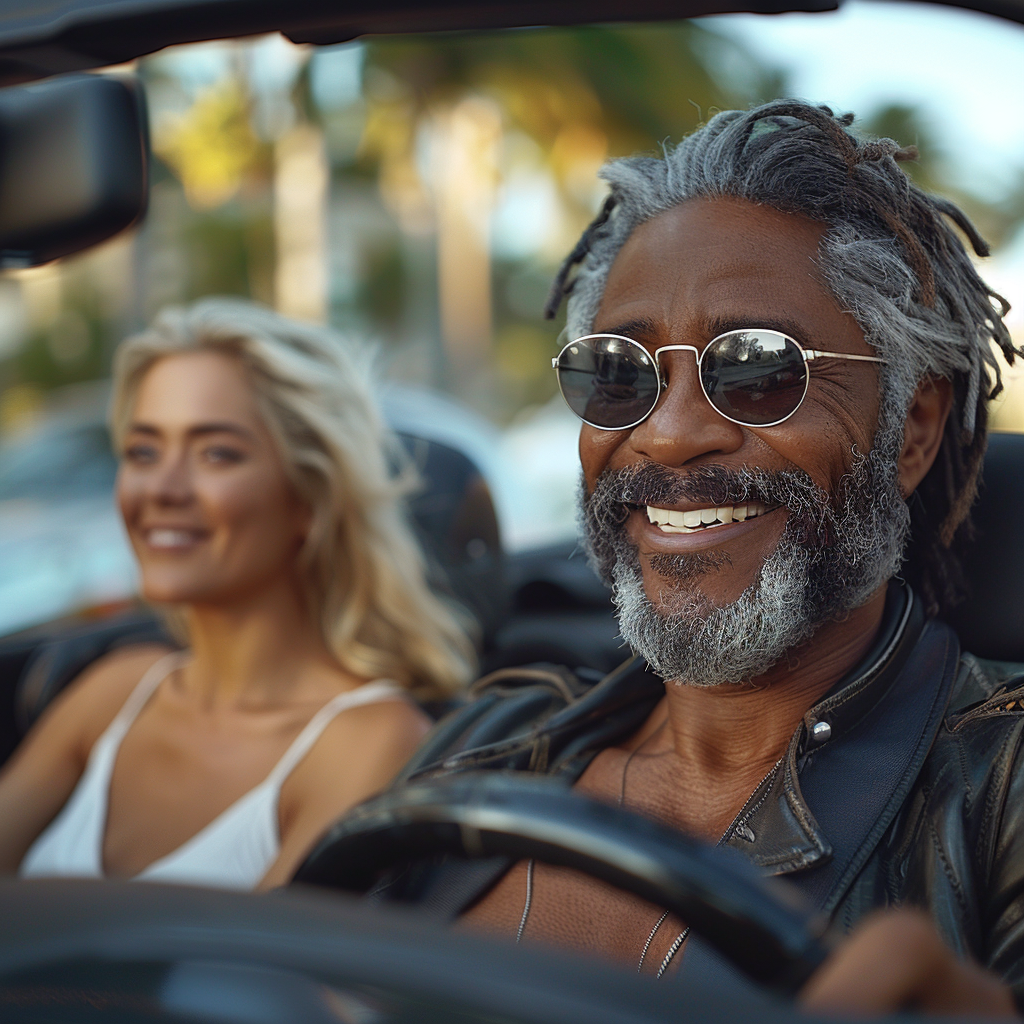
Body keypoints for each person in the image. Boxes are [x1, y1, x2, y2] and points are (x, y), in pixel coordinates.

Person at [362, 101, 1024, 1016]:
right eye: (619, 374)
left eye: (757, 368)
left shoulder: (1006, 786)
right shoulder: (488, 738)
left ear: (909, 432)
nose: (668, 435)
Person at [0, 298, 475, 890]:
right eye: (143, 451)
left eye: (215, 453)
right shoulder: (114, 694)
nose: (163, 489)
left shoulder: (367, 740)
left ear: (309, 497)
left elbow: (239, 979)